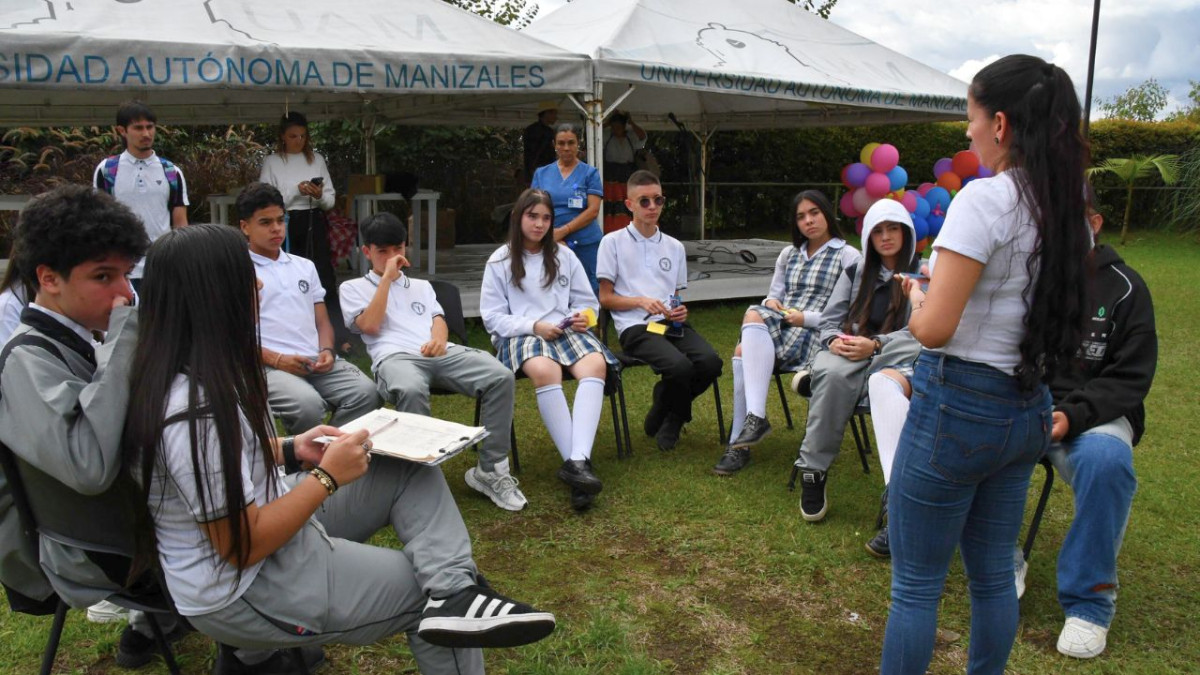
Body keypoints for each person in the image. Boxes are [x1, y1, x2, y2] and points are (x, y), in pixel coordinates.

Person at [124, 224, 556, 675]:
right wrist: (326, 478)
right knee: (422, 596)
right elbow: (241, 545)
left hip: (268, 531)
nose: (257, 284)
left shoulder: (183, 370)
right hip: (248, 587)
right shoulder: (196, 412)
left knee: (407, 470)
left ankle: (455, 593)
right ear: (211, 294)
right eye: (244, 274)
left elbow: (210, 467)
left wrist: (291, 448)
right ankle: (445, 600)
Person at [881, 54, 1093, 675]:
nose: (965, 133)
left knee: (917, 586)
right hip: (1026, 405)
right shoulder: (1068, 208)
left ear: (1000, 124)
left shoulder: (986, 199)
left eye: (970, 118)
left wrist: (918, 294)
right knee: (994, 575)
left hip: (959, 407)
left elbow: (935, 328)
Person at [0, 185, 167, 667]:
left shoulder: (79, 340)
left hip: (120, 528)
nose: (125, 293)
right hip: (96, 551)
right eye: (103, 276)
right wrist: (125, 340)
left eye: (125, 275)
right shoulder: (26, 361)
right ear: (48, 278)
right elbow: (89, 467)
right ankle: (251, 646)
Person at [1012, 201, 1157, 659]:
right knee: (980, 442)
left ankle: (1089, 604)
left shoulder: (1127, 288)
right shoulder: (1027, 278)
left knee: (1107, 462)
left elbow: (1130, 377)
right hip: (1027, 406)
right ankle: (1002, 563)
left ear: (1094, 223)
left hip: (1094, 417)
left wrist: (1072, 416)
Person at [339, 213, 527, 512]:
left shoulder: (422, 287)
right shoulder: (352, 288)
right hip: (395, 358)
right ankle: (424, 480)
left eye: (397, 249)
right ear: (366, 252)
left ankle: (491, 471)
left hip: (439, 352)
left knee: (500, 375)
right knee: (410, 389)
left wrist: (439, 339)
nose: (392, 257)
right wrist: (386, 278)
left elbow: (438, 320)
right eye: (382, 252)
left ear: (406, 246)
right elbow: (371, 326)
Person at [479, 189, 618, 512]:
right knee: (546, 370)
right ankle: (579, 466)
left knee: (596, 365)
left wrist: (585, 317)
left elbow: (588, 301)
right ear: (518, 217)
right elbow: (493, 317)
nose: (539, 224)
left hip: (565, 330)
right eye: (533, 216)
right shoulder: (499, 260)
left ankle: (577, 463)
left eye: (545, 218)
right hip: (522, 334)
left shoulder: (564, 255)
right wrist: (534, 326)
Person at [713, 190, 862, 475]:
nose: (809, 221)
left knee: (746, 342)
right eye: (801, 217)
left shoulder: (847, 255)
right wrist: (772, 303)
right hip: (785, 329)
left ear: (827, 214)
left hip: (820, 336)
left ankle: (744, 436)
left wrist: (805, 318)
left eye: (814, 213)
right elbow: (773, 296)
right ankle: (745, 434)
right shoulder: (789, 254)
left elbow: (852, 316)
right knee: (751, 328)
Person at [790, 199, 921, 521]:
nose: (886, 237)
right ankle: (814, 471)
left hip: (898, 352)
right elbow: (830, 320)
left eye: (893, 229)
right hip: (849, 349)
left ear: (906, 232)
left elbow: (923, 331)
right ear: (869, 239)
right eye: (878, 231)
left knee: (868, 378)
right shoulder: (856, 271)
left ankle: (814, 374)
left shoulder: (924, 271)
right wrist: (835, 341)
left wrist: (875, 345)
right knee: (835, 376)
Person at [237, 182, 379, 436]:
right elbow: (233, 334)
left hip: (315, 359)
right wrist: (277, 359)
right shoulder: (237, 269)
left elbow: (322, 321)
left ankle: (324, 452)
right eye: (265, 222)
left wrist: (326, 349)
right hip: (267, 364)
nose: (276, 229)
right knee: (308, 407)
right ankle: (307, 460)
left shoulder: (304, 266)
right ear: (244, 227)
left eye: (281, 220)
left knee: (368, 393)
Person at [597, 170, 722, 451]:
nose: (653, 207)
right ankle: (674, 419)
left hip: (669, 324)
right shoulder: (612, 242)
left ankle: (665, 403)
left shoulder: (674, 246)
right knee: (680, 367)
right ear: (629, 205)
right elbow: (605, 299)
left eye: (658, 200)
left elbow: (674, 296)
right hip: (635, 326)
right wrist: (640, 301)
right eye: (644, 201)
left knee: (711, 363)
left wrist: (678, 311)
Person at [259, 111, 352, 356]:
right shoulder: (272, 162)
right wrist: (295, 190)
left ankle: (339, 337)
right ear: (282, 137)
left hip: (313, 220)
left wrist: (317, 194)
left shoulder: (316, 159)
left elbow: (330, 200)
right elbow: (265, 198)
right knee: (288, 280)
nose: (298, 140)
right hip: (285, 223)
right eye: (293, 136)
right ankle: (295, 336)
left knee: (323, 279)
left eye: (302, 136)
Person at [92, 99, 188, 290]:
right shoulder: (107, 170)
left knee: (163, 320)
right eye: (138, 128)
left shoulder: (171, 171)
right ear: (122, 131)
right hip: (122, 269)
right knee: (126, 320)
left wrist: (184, 265)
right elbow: (98, 221)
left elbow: (180, 223)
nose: (146, 133)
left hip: (163, 267)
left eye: (150, 127)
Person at [531, 124, 604, 293]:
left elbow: (593, 210)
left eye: (571, 143)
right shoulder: (541, 174)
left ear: (578, 144)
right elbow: (534, 209)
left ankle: (593, 320)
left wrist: (563, 231)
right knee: (554, 287)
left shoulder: (590, 173)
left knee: (590, 287)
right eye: (561, 143)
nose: (566, 148)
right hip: (551, 240)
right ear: (554, 145)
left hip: (585, 242)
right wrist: (551, 236)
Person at [602, 111, 648, 184]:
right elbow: (593, 131)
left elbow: (643, 137)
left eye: (618, 127)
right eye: (613, 127)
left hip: (627, 170)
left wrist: (632, 123)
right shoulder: (607, 136)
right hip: (610, 171)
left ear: (624, 127)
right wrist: (607, 122)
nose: (615, 130)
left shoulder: (631, 136)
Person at [523, 102, 559, 186]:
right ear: (546, 113)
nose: (556, 117)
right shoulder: (541, 131)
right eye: (554, 113)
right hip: (541, 172)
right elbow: (534, 153)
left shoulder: (534, 129)